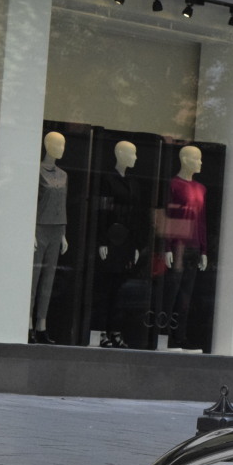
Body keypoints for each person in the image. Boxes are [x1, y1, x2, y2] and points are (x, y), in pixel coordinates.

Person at [162, 145, 209, 351]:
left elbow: (202, 221)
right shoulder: (173, 185)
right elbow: (167, 217)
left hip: (193, 247)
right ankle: (164, 336)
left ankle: (180, 336)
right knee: (171, 292)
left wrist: (204, 250)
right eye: (197, 159)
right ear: (185, 159)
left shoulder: (201, 189)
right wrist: (167, 246)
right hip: (179, 246)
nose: (200, 163)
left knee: (186, 296)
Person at [96, 140, 142, 348]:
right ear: (120, 154)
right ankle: (101, 331)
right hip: (111, 239)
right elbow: (103, 210)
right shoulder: (107, 179)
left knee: (120, 290)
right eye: (132, 154)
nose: (135, 158)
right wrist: (102, 240)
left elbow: (135, 215)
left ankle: (115, 329)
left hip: (125, 241)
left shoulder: (133, 182)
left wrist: (134, 246)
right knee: (105, 287)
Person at [31, 131, 70, 344]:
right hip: (39, 229)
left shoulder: (64, 175)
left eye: (64, 145)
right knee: (34, 279)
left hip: (56, 230)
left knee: (49, 280)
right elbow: (31, 202)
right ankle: (28, 323)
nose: (62, 148)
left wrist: (63, 234)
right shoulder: (36, 170)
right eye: (58, 144)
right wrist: (30, 232)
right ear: (47, 144)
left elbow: (63, 204)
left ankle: (42, 325)